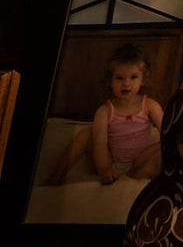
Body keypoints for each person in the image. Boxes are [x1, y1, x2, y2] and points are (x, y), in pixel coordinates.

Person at [44, 45, 164, 186]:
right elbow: (100, 142)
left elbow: (166, 130)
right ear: (110, 81)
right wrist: (104, 169)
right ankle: (56, 177)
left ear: (143, 80)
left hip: (138, 163)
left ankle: (137, 177)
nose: (126, 83)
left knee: (165, 144)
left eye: (133, 77)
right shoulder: (105, 110)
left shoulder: (150, 105)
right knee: (87, 134)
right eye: (119, 78)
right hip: (110, 162)